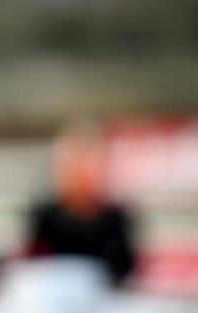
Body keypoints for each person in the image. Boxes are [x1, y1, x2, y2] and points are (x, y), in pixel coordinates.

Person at [24, 121, 136, 285]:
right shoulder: (46, 216)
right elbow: (35, 264)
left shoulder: (113, 217)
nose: (81, 175)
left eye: (86, 165)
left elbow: (124, 268)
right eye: (74, 165)